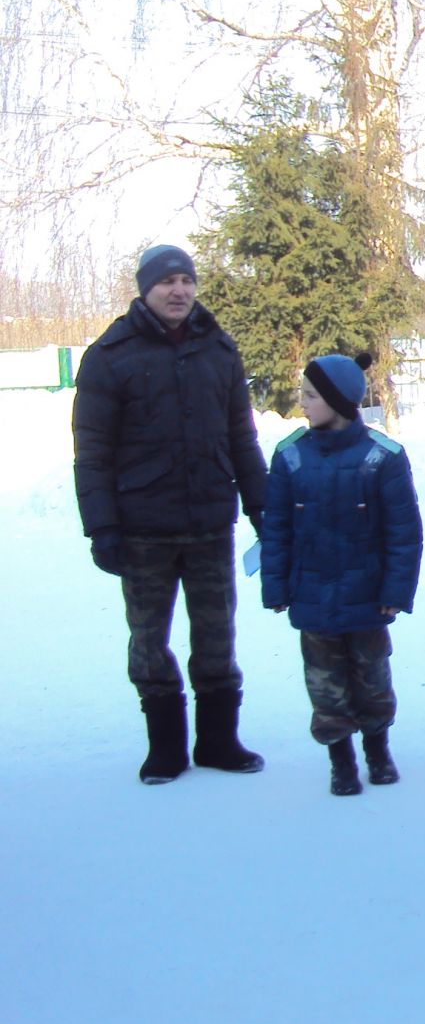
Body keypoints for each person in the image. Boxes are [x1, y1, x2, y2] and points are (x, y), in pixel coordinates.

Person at [73, 243, 270, 783]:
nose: (179, 291)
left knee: (216, 634)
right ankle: (165, 746)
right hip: (142, 530)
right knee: (148, 639)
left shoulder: (219, 351)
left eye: (186, 280)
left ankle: (218, 741)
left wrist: (263, 508)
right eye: (167, 282)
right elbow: (92, 452)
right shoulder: (109, 356)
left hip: (209, 521)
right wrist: (103, 528)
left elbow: (241, 438)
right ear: (145, 289)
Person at [259, 353, 422, 796]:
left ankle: (377, 750)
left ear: (337, 400)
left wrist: (395, 590)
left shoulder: (382, 456)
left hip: (368, 596)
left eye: (311, 395)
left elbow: (404, 534)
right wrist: (274, 585)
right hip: (311, 595)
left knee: (372, 678)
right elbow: (275, 529)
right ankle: (341, 761)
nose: (302, 402)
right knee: (324, 685)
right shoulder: (290, 456)